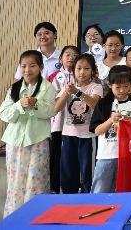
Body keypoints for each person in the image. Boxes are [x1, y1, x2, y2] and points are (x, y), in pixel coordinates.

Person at [0, 50, 56, 216]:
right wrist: (19, 105)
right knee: (15, 179)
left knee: (36, 179)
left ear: (40, 67)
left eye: (32, 66)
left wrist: (35, 104)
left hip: (38, 140)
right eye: (23, 66)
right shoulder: (14, 88)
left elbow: (50, 112)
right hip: (14, 141)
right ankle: (14, 216)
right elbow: (4, 114)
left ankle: (35, 216)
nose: (27, 70)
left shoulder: (47, 87)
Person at [90, 66, 131, 193]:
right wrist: (111, 120)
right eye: (118, 87)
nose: (122, 90)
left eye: (126, 86)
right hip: (106, 155)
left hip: (127, 156)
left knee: (124, 192)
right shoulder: (103, 104)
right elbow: (96, 130)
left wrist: (128, 125)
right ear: (109, 85)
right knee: (100, 191)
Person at [57, 54, 102, 194]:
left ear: (93, 70)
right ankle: (68, 199)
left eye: (86, 68)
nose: (82, 72)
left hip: (88, 136)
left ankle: (88, 199)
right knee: (68, 171)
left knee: (88, 172)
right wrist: (67, 92)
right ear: (73, 70)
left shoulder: (96, 87)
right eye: (79, 68)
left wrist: (77, 92)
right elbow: (55, 109)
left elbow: (93, 103)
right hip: (68, 135)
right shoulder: (67, 87)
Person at [46, 45, 79, 193]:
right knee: (56, 155)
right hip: (58, 123)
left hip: (76, 123)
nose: (71, 58)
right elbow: (50, 100)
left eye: (75, 55)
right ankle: (54, 187)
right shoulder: (54, 76)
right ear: (60, 58)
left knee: (72, 156)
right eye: (68, 54)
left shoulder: (82, 74)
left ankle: (73, 186)